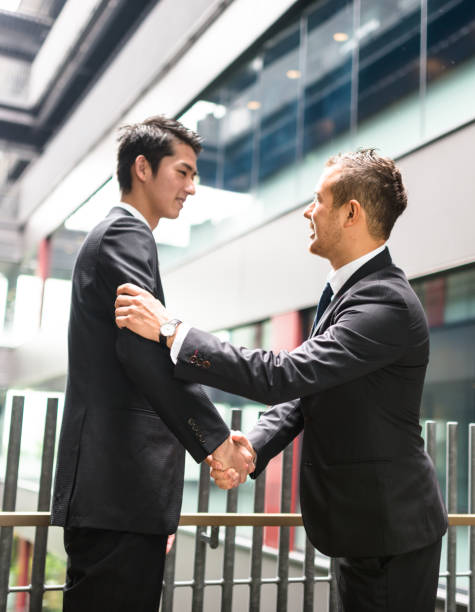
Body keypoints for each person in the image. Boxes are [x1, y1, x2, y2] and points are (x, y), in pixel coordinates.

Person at [114, 149, 448, 611]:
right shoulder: (346, 292)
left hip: (391, 534)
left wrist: (172, 331)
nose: (309, 212)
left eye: (319, 200)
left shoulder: (385, 304)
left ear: (352, 213)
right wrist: (254, 447)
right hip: (364, 529)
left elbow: (283, 375)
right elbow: (307, 390)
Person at [51, 116, 254, 612]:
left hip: (120, 496)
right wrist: (216, 440)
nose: (192, 187)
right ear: (142, 167)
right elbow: (141, 352)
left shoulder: (122, 237)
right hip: (118, 489)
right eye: (183, 172)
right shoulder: (126, 235)